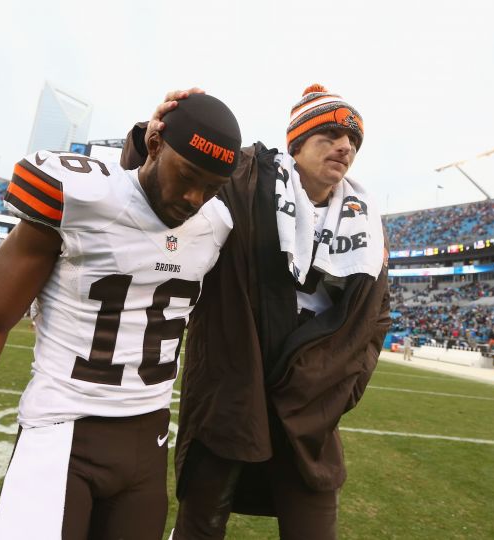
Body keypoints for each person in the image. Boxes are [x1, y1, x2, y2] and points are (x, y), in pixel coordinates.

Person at [0, 93, 242, 540]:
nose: (194, 197)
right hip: (62, 436)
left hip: (149, 446)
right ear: (154, 144)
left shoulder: (217, 223)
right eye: (187, 176)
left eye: (211, 188)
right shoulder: (84, 198)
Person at [121, 85, 389, 539]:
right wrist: (153, 136)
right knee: (200, 524)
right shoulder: (245, 176)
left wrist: (341, 391)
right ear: (297, 143)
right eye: (330, 134)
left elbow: (375, 319)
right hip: (231, 392)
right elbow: (165, 179)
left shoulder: (367, 223)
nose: (345, 147)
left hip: (310, 407)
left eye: (354, 141)